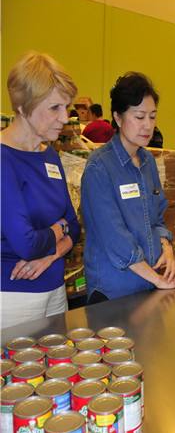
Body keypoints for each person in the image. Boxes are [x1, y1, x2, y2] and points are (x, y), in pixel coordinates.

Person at [81, 72, 175, 303]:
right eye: (139, 117)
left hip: (147, 284)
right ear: (118, 118)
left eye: (152, 117)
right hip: (113, 291)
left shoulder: (148, 161)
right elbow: (115, 239)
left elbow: (157, 217)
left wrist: (167, 248)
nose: (148, 126)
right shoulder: (99, 168)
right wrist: (158, 280)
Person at [0, 52, 81, 328]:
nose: (65, 117)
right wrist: (59, 231)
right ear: (23, 108)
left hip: (55, 290)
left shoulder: (50, 155)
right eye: (54, 108)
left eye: (67, 107)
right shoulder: (4, 159)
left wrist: (51, 254)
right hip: (14, 297)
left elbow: (74, 224)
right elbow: (26, 243)